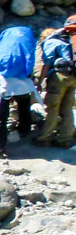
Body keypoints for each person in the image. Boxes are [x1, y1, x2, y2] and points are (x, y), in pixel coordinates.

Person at [0, 25, 38, 158]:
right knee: (24, 104)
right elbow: (30, 63)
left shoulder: (4, 45)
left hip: (3, 82)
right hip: (23, 81)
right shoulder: (28, 43)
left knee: (0, 117)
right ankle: (24, 130)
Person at [35, 17, 76, 148]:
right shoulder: (71, 41)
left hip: (59, 77)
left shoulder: (53, 41)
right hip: (73, 77)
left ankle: (45, 138)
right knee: (67, 107)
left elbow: (46, 64)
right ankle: (65, 139)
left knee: (53, 107)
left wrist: (40, 81)